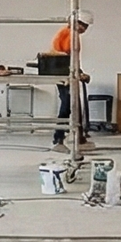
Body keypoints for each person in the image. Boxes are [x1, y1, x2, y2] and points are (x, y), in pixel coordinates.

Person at [51, 9, 92, 149]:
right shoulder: (69, 34)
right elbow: (67, 58)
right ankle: (59, 138)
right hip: (62, 74)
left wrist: (80, 72)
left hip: (66, 72)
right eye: (83, 25)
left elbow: (73, 59)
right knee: (67, 105)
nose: (84, 29)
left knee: (76, 105)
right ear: (77, 23)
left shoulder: (71, 34)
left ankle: (79, 137)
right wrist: (78, 73)